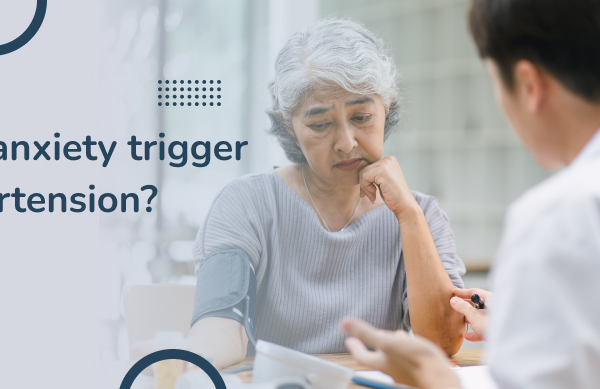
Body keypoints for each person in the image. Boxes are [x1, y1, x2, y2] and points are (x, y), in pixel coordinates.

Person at [342, 0, 600, 389]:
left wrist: (439, 383)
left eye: (496, 84)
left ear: (529, 85)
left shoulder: (561, 217)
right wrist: (529, 327)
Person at [176, 19, 469, 369]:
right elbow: (222, 324)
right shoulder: (246, 204)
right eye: (320, 124)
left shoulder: (421, 214)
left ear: (387, 106)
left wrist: (407, 216)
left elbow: (441, 343)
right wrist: (185, 360)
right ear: (289, 124)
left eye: (362, 116)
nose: (346, 143)